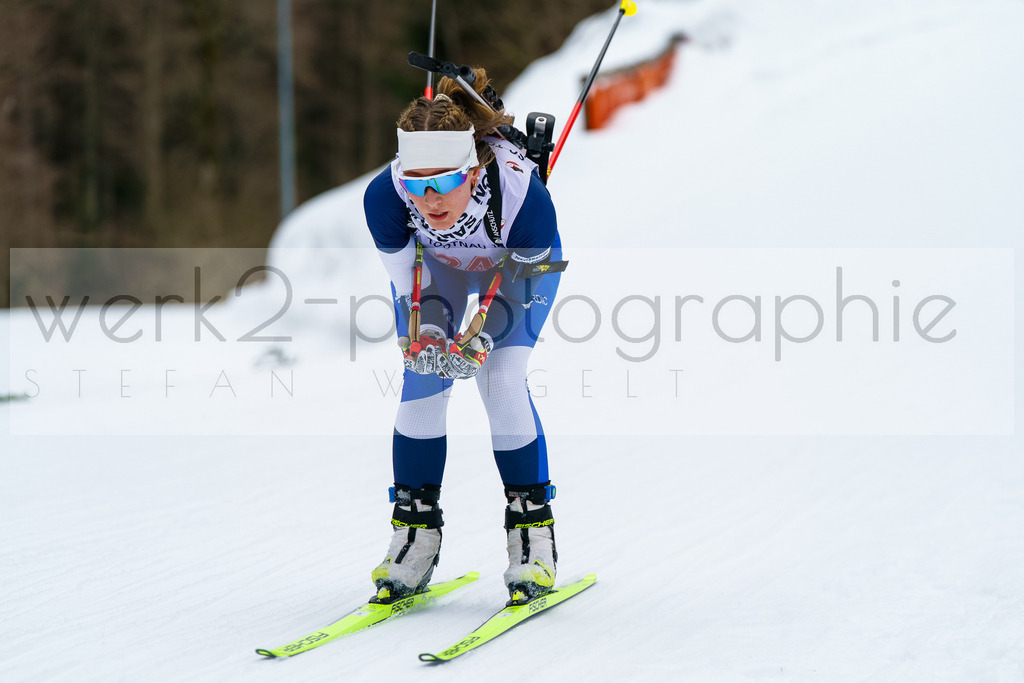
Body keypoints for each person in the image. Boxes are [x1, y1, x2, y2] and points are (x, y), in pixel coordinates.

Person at [362, 67, 563, 606]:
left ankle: (532, 536)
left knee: (499, 379)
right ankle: (415, 534)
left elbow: (518, 290)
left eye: (444, 181)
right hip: (441, 273)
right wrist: (429, 333)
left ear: (472, 172)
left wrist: (480, 338)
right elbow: (410, 284)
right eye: (415, 182)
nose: (429, 199)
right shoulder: (384, 197)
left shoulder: (522, 195)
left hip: (515, 272)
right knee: (422, 379)